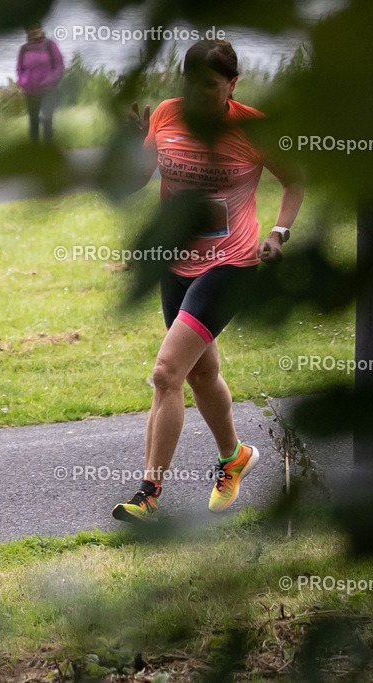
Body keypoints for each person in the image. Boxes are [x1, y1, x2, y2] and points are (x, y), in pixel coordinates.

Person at [112, 40, 304, 523]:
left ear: (232, 84)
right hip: (175, 265)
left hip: (230, 266)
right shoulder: (168, 115)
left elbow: (294, 179)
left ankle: (148, 496)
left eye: (211, 85)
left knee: (166, 373)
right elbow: (136, 182)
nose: (198, 94)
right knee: (199, 374)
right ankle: (235, 456)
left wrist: (278, 233)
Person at [16, 22, 64, 143]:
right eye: (31, 28)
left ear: (41, 28)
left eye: (37, 27)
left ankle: (48, 151)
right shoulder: (24, 49)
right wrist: (23, 82)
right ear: (27, 31)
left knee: (47, 122)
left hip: (48, 91)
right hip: (30, 92)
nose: (35, 30)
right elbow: (19, 69)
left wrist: (50, 81)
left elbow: (59, 66)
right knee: (33, 123)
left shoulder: (49, 44)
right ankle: (35, 151)